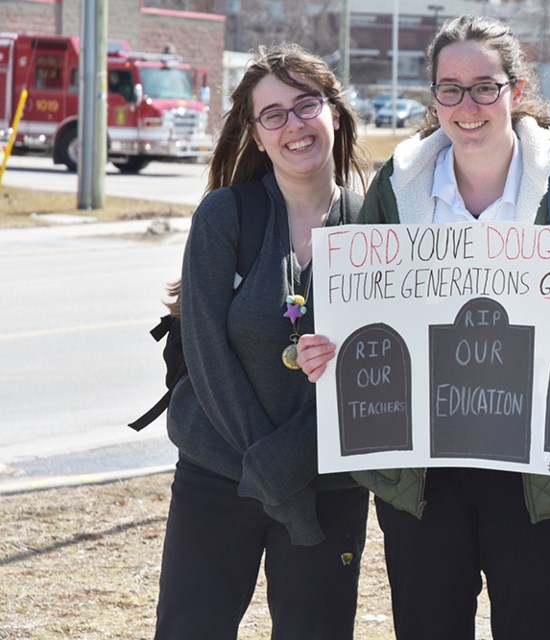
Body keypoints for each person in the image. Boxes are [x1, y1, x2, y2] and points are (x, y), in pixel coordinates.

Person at [296, 15, 550, 640]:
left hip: (537, 472)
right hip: (423, 471)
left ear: (516, 91)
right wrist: (326, 348)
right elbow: (362, 304)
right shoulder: (400, 184)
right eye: (450, 88)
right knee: (429, 623)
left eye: (484, 87)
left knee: (537, 623)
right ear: (434, 96)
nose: (467, 106)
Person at [154, 43, 370, 640]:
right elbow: (206, 357)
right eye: (272, 114)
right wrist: (269, 468)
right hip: (218, 472)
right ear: (255, 132)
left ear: (334, 112)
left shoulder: (379, 227)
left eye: (306, 105)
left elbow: (381, 369)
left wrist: (293, 460)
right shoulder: (226, 217)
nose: (293, 125)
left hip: (331, 482)